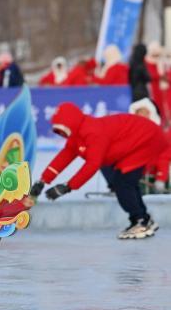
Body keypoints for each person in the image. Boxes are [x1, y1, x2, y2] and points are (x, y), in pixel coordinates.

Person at [30, 102, 167, 239]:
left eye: (63, 128)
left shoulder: (93, 132)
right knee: (125, 182)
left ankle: (141, 222)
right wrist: (42, 180)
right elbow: (64, 156)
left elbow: (93, 164)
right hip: (137, 140)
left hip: (146, 139)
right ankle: (144, 219)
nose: (62, 133)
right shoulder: (77, 135)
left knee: (123, 183)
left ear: (72, 123)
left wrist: (68, 186)